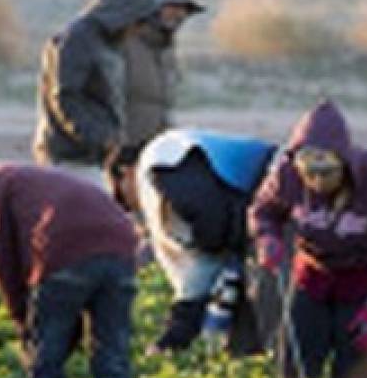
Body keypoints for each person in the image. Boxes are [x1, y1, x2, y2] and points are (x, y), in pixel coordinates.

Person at [249, 99, 367, 378]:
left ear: (343, 162)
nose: (317, 181)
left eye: (326, 170)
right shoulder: (286, 176)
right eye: (308, 171)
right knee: (296, 369)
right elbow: (264, 211)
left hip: (365, 283)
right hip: (312, 280)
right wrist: (268, 238)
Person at [0, 163, 139, 378]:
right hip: (122, 243)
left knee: (48, 347)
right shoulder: (41, 183)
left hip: (67, 246)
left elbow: (2, 257)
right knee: (112, 340)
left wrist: (21, 316)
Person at [107, 131, 277, 354]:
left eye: (121, 198)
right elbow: (198, 274)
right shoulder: (170, 170)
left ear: (126, 172)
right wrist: (171, 339)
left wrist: (212, 244)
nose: (130, 208)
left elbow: (209, 220)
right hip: (258, 215)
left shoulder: (161, 161)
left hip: (275, 198)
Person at [33, 0, 161, 184]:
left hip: (91, 158)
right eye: (137, 21)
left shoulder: (107, 41)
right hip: (70, 158)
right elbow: (66, 98)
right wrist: (102, 140)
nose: (137, 29)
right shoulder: (78, 39)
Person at [123, 0, 204, 151]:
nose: (180, 14)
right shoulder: (123, 44)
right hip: (118, 156)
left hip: (150, 152)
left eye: (184, 8)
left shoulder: (165, 49)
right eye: (172, 6)